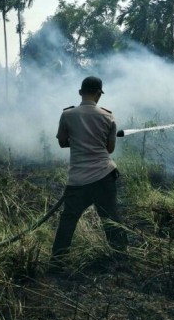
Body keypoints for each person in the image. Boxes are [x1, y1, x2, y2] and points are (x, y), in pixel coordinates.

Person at [50, 76, 128, 270]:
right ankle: (121, 259)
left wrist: (78, 142)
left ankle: (58, 262)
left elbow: (62, 142)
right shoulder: (108, 116)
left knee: (68, 221)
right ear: (98, 94)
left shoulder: (67, 115)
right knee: (111, 218)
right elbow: (109, 149)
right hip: (104, 176)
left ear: (80, 93)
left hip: (78, 180)